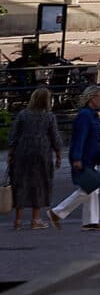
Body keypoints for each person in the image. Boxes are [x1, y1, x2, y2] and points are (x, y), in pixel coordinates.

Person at [52, 85, 100, 230]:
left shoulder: (90, 114)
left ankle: (90, 221)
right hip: (85, 157)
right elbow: (79, 138)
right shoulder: (85, 115)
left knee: (92, 188)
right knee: (89, 188)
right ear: (92, 98)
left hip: (90, 157)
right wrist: (77, 158)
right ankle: (57, 212)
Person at [9, 87, 61, 231]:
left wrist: (10, 153)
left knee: (21, 183)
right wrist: (58, 154)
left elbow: (13, 135)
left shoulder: (22, 114)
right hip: (42, 152)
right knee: (40, 184)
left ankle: (18, 220)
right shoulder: (49, 116)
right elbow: (55, 137)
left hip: (22, 151)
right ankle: (35, 219)